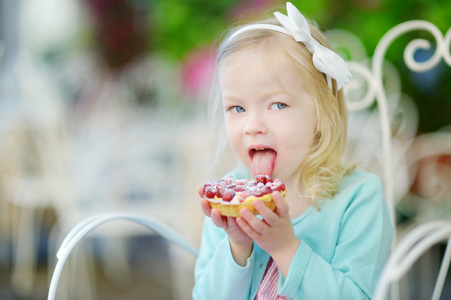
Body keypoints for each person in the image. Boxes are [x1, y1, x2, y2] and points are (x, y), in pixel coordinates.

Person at [193, 2, 393, 299]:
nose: (253, 126)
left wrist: (286, 247)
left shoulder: (358, 198)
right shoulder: (229, 203)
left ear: (322, 114)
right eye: (237, 107)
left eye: (278, 105)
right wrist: (237, 245)